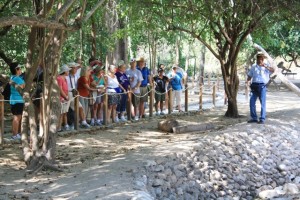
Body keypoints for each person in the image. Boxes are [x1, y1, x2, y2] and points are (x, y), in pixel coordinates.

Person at [247, 52, 274, 124]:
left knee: (263, 103)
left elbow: (273, 70)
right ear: (257, 58)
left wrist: (265, 66)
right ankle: (254, 118)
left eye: (262, 58)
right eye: (259, 57)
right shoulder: (253, 66)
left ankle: (262, 118)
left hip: (262, 87)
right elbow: (250, 75)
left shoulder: (266, 66)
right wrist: (248, 82)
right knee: (252, 102)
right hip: (254, 86)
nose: (260, 59)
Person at [66, 62, 90, 129]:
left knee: (80, 107)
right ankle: (69, 124)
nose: (76, 69)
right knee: (68, 110)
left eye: (76, 68)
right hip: (68, 93)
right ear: (71, 68)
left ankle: (83, 122)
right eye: (75, 68)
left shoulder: (76, 76)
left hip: (75, 94)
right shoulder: (66, 76)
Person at [9, 63, 25, 140]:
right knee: (17, 117)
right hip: (17, 100)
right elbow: (23, 86)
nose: (21, 69)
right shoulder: (18, 79)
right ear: (16, 69)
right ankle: (15, 134)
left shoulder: (12, 77)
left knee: (17, 117)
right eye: (19, 68)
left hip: (13, 100)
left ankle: (16, 133)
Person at [57, 64, 71, 132]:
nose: (69, 72)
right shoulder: (59, 78)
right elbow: (60, 89)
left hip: (65, 97)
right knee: (60, 113)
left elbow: (66, 89)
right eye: (68, 71)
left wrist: (67, 96)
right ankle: (58, 127)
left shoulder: (65, 79)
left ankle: (61, 126)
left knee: (63, 113)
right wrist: (65, 97)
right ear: (65, 71)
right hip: (61, 98)